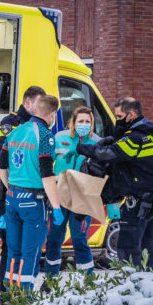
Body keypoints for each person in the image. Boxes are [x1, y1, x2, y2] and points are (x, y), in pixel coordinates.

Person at [77, 96, 153, 271]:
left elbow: (108, 154)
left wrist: (83, 149)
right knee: (152, 248)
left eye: (119, 117)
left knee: (129, 249)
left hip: (139, 203)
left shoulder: (135, 138)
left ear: (131, 115)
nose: (117, 121)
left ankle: (131, 288)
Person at [0, 94, 64, 291]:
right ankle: (24, 299)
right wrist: (57, 207)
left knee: (13, 252)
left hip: (12, 200)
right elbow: (47, 175)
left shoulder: (16, 132)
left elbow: (1, 166)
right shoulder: (45, 136)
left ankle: (9, 295)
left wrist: (10, 188)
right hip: (33, 202)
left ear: (35, 110)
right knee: (30, 253)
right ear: (52, 114)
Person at [0, 85, 45, 291]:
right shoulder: (10, 124)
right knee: (11, 247)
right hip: (6, 191)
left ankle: (18, 291)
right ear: (27, 102)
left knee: (25, 246)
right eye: (38, 104)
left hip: (22, 194)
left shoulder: (36, 125)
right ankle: (6, 293)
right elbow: (1, 162)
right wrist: (11, 195)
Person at [44, 106, 101, 277]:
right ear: (73, 123)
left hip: (83, 199)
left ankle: (88, 281)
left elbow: (102, 173)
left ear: (92, 124)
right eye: (80, 121)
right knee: (54, 240)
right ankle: (50, 279)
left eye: (87, 121)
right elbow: (46, 163)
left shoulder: (97, 142)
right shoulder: (60, 137)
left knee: (79, 240)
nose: (84, 124)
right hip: (60, 196)